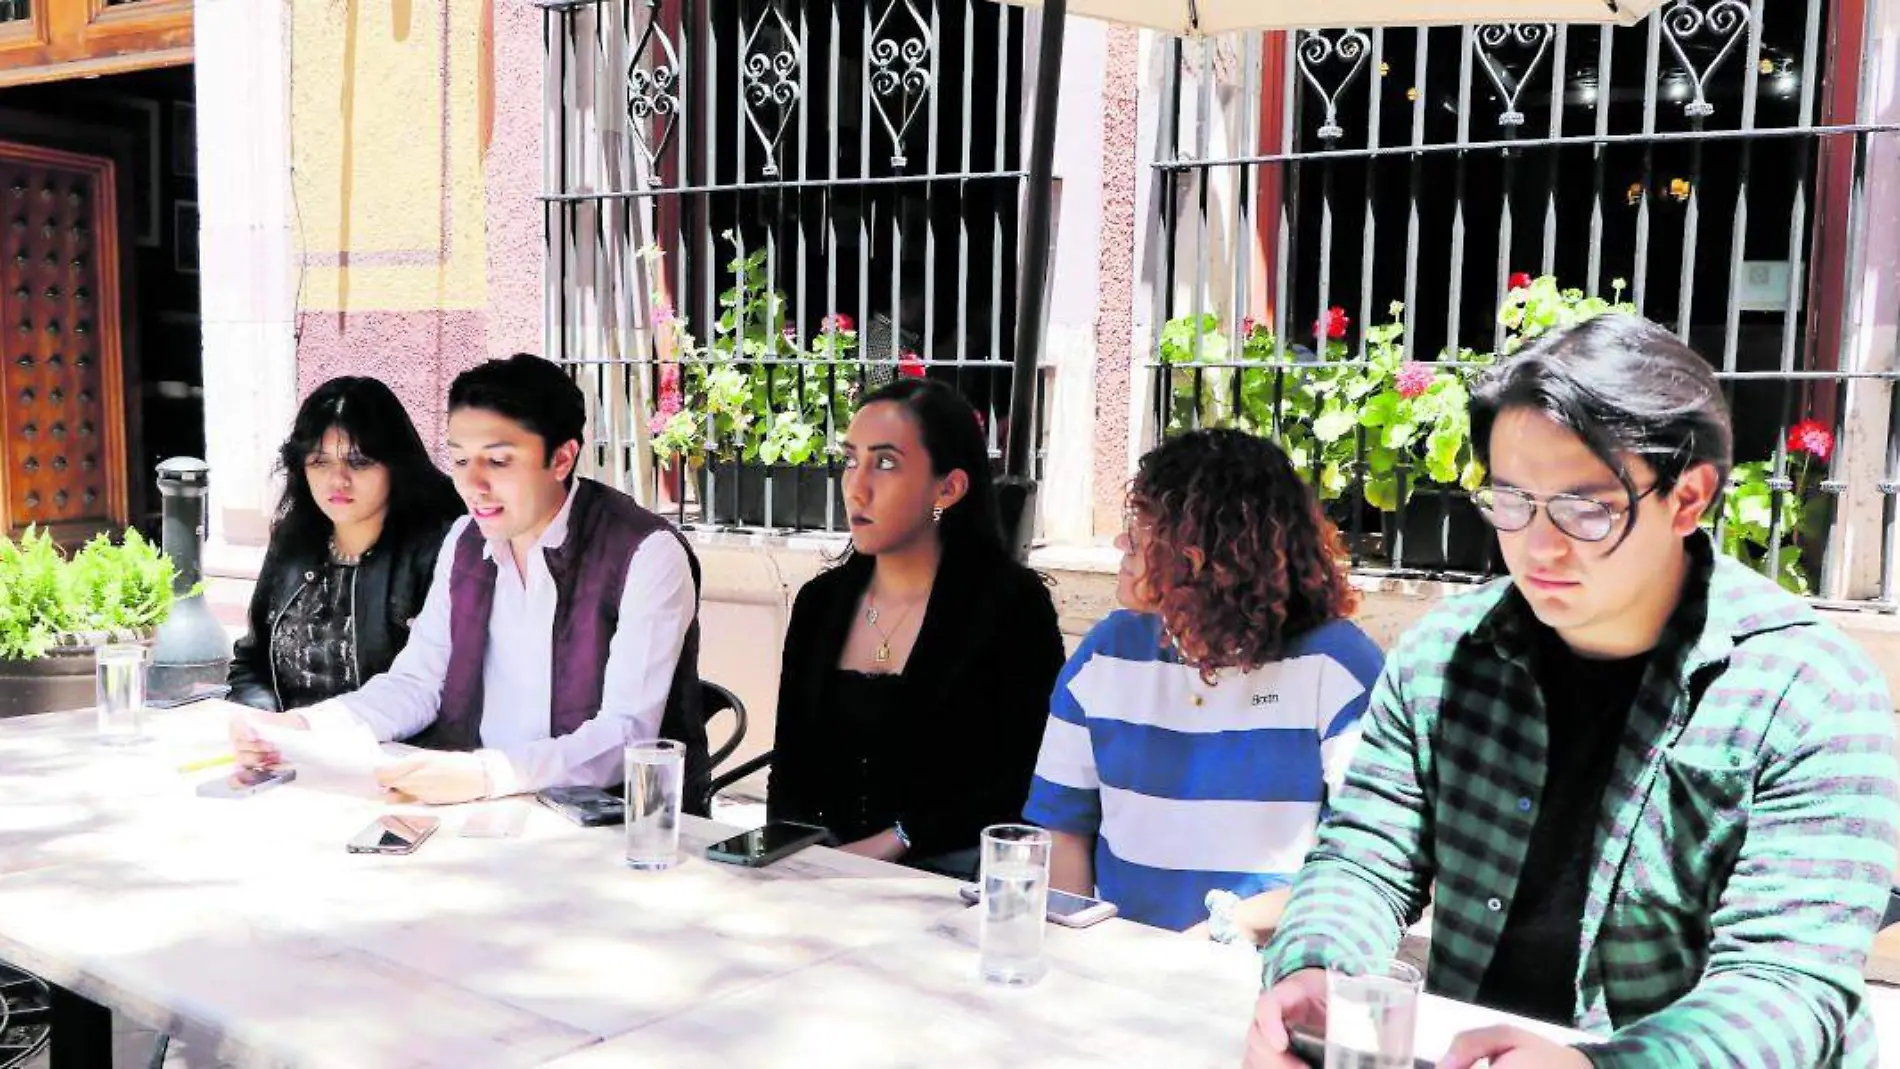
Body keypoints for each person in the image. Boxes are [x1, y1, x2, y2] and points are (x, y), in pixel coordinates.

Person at [1244, 314, 1900, 1068]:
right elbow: (1365, 854)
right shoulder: (1444, 655)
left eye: (1587, 508)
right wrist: (1312, 968)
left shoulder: (1810, 695)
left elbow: (1786, 985)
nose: (1539, 545)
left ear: (1688, 498)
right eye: (1513, 501)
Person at [231, 354, 711, 809]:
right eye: (460, 460)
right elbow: (418, 682)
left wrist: (485, 775)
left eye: (498, 462)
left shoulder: (645, 554)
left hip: (606, 827)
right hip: (476, 813)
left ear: (562, 459)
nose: (473, 484)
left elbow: (626, 735)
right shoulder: (465, 541)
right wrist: (304, 726)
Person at [1023, 429, 1380, 941]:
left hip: (1272, 978)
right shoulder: (1106, 653)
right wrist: (1079, 950)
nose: (1123, 542)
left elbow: (1370, 863)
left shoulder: (1338, 666)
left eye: (1143, 526)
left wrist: (1230, 930)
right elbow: (1062, 827)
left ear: (1209, 551)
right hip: (1119, 974)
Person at [766, 377, 1065, 878]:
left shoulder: (1010, 607)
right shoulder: (822, 603)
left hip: (957, 871)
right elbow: (791, 765)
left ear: (947, 489)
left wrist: (898, 839)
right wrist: (787, 857)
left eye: (884, 463)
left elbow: (1021, 774)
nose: (856, 486)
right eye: (850, 460)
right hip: (824, 869)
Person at [228, 378, 465, 711]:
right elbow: (251, 664)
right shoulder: (293, 540)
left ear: (394, 466)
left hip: (387, 752)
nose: (338, 480)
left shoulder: (438, 551)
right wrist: (265, 727)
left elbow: (441, 690)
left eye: (359, 462)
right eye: (320, 462)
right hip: (288, 749)